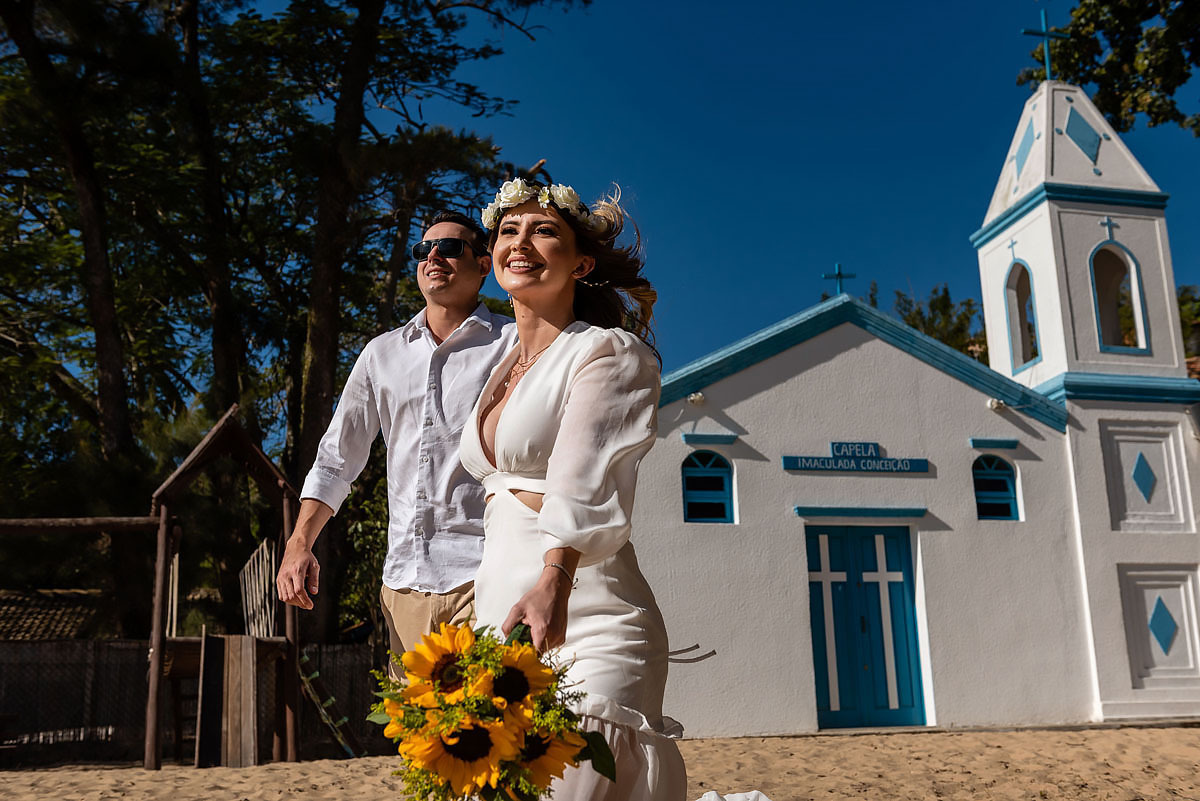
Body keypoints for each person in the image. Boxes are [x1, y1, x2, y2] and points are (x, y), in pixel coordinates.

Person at [459, 179, 687, 800]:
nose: (521, 243)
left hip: (586, 608)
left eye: (544, 231)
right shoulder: (497, 363)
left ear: (581, 263)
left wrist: (554, 578)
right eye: (508, 231)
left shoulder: (609, 354)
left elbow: (584, 473)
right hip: (500, 615)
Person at [276, 211, 516, 678]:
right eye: (423, 250)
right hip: (404, 583)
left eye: (449, 248)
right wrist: (299, 543)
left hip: (488, 572)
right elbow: (336, 460)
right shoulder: (381, 353)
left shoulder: (513, 342)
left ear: (484, 264)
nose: (433, 257)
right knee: (423, 742)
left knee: (493, 730)